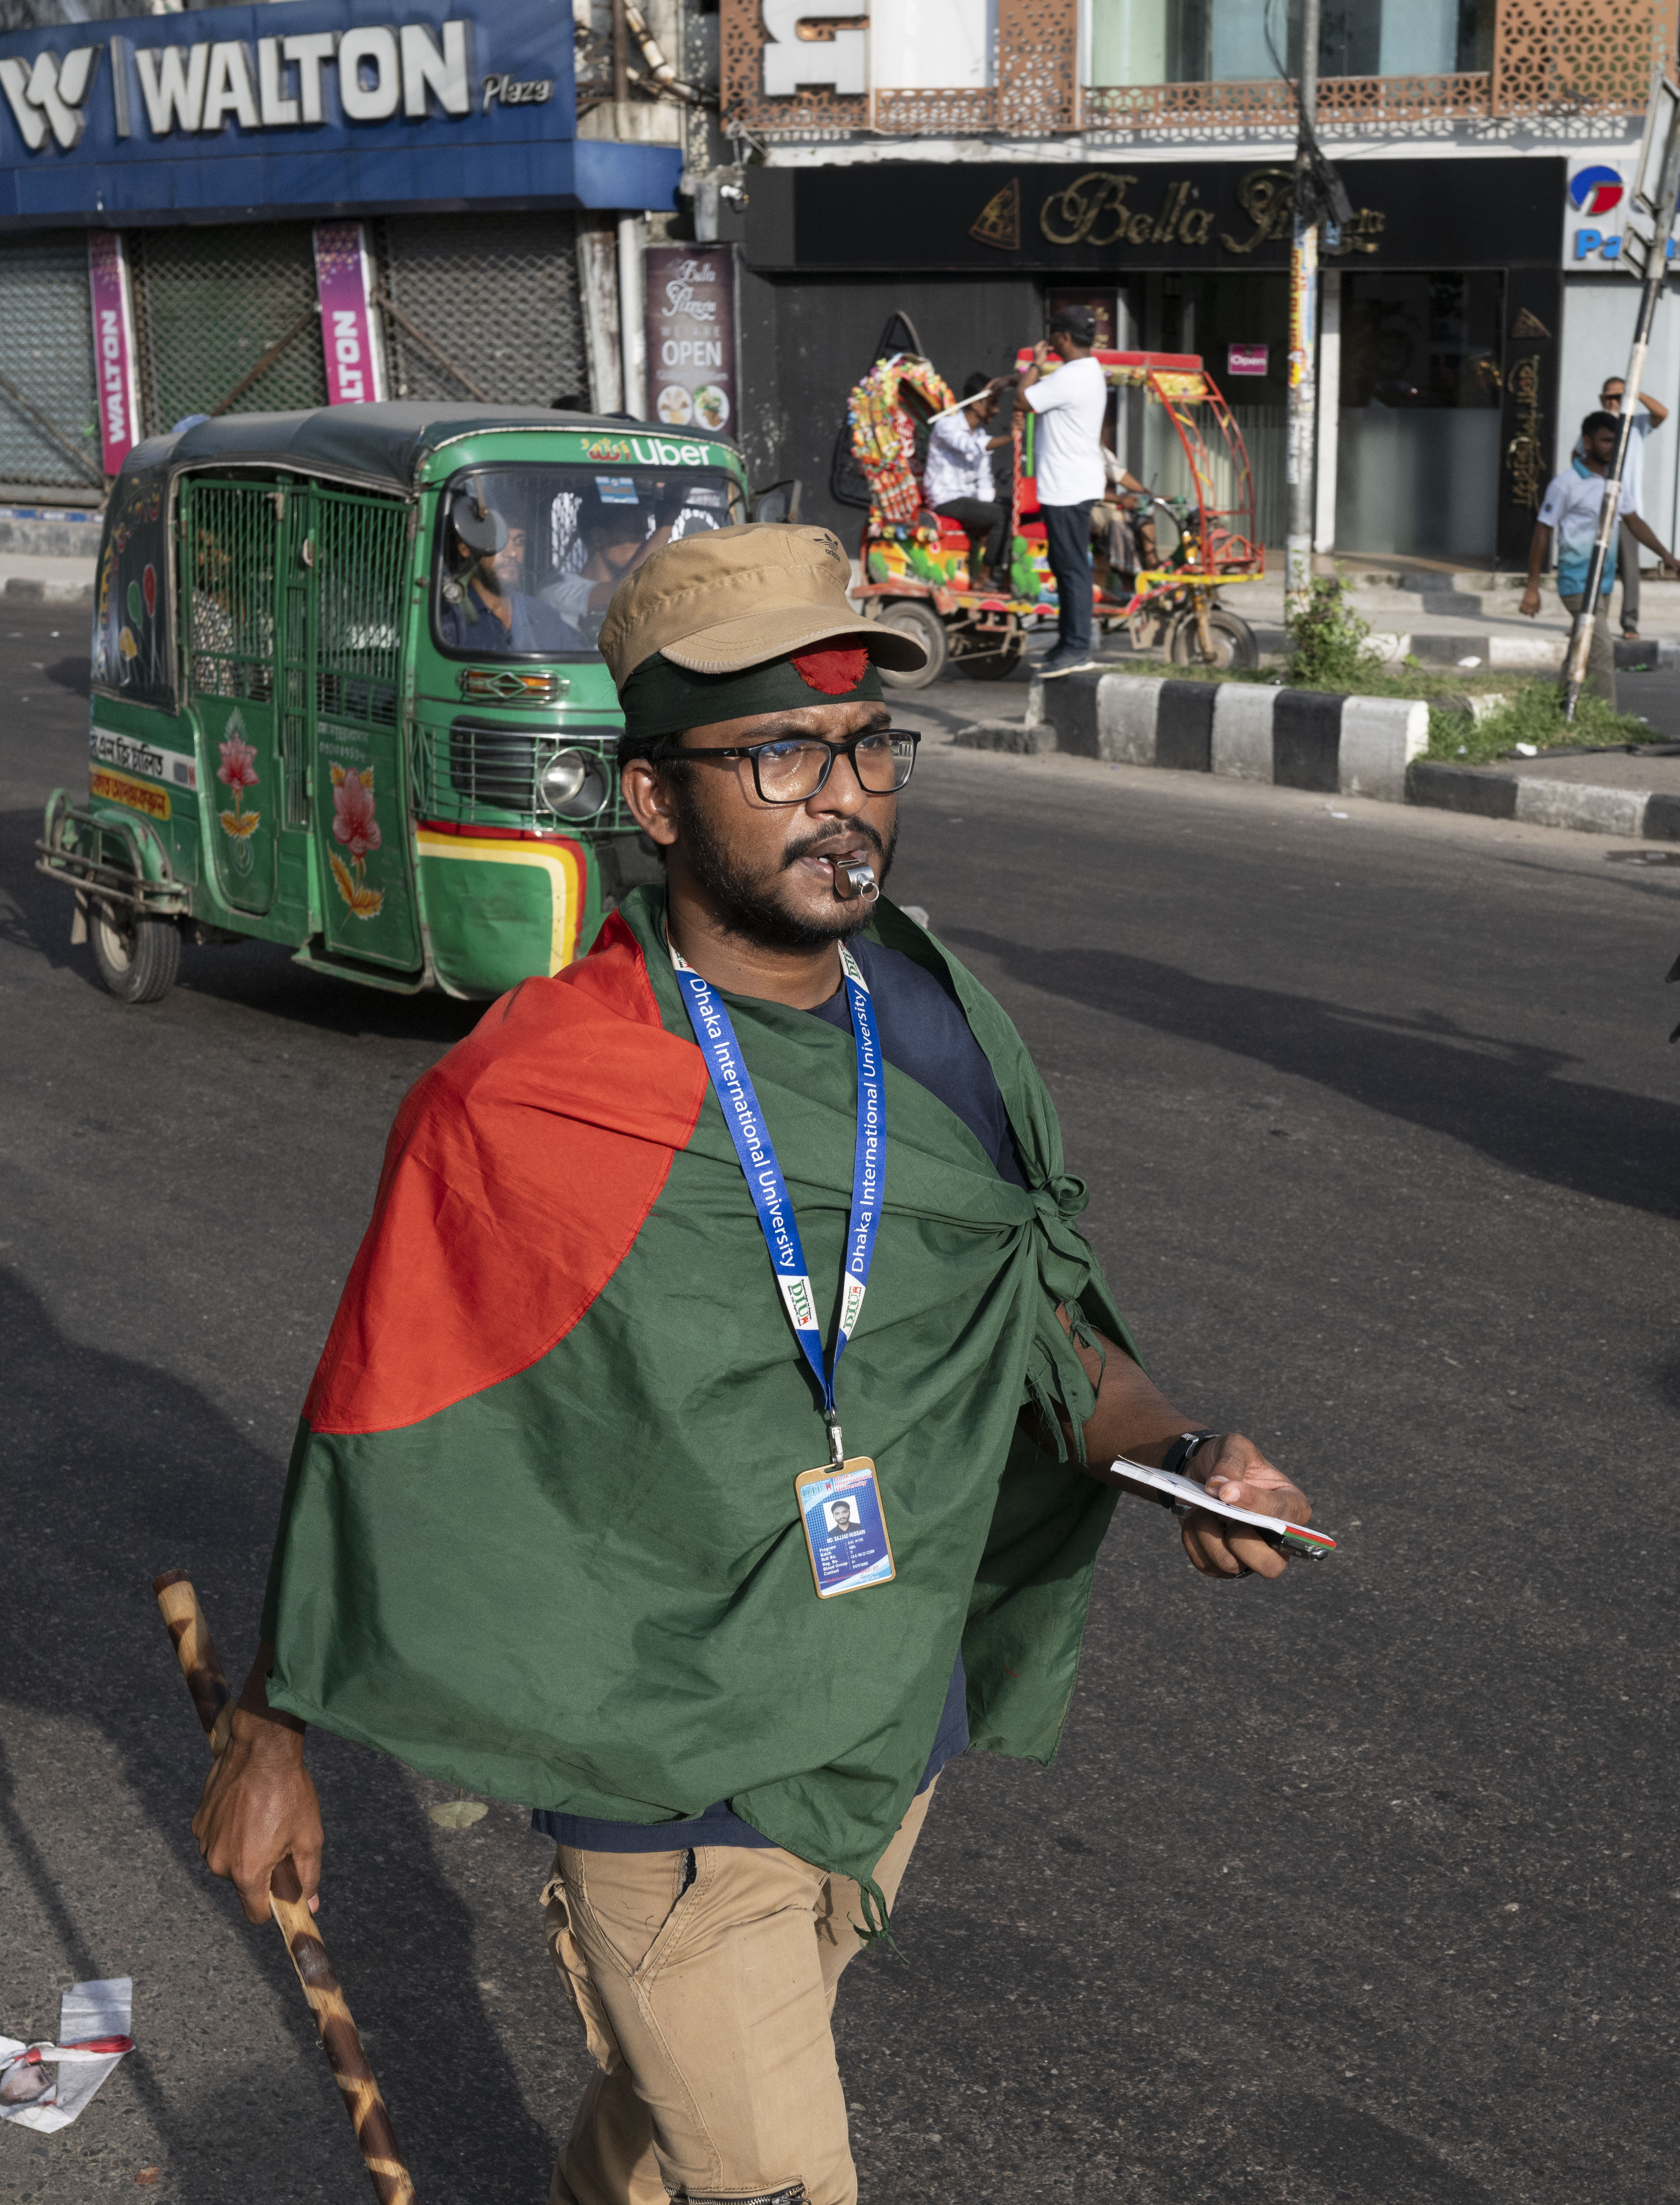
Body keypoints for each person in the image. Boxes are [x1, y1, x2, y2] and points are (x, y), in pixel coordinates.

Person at [191, 521, 1321, 2205]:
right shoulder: (537, 1090)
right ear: (656, 800)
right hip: (666, 1770)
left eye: (870, 744)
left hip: (879, 1731)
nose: (844, 794)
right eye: (782, 750)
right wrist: (274, 1728)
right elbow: (384, 1423)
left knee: (675, 2133)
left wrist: (1188, 1448)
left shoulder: (937, 1019)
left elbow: (1042, 1321)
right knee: (779, 2174)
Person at [1517, 410, 1680, 645]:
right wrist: (1532, 589)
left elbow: (1634, 522)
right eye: (1606, 440)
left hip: (1603, 584)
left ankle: (1569, 683)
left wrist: (1666, 556)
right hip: (1576, 583)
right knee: (1602, 648)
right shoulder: (1566, 484)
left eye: (1617, 442)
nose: (1613, 447)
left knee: (1582, 649)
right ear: (1587, 442)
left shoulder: (1615, 483)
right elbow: (1542, 533)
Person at [1015, 305, 1110, 671]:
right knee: (1065, 563)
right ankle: (1068, 642)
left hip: (1068, 489)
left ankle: (1076, 646)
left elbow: (1024, 401)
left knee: (1072, 569)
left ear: (1065, 338)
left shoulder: (1071, 376)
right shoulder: (1085, 373)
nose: (1049, 340)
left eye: (1053, 334)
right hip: (1070, 486)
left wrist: (1034, 366)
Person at [437, 488, 574, 653]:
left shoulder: (546, 617)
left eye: (520, 542)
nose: (513, 554)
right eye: (500, 541)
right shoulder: (448, 623)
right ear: (465, 548)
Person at [917, 380, 1013, 590]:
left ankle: (1005, 572)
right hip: (945, 499)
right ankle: (986, 576)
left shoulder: (979, 434)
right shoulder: (946, 426)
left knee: (1011, 510)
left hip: (967, 499)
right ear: (977, 405)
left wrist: (990, 505)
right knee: (1000, 517)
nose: (997, 410)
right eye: (993, 404)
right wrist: (1011, 437)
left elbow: (984, 478)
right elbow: (970, 447)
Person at [1597, 375, 1671, 637]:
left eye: (1619, 397)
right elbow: (1577, 456)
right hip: (1599, 511)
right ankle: (1593, 623)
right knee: (1596, 569)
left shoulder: (1637, 425)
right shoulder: (1595, 428)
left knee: (1630, 571)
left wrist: (1635, 392)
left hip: (1629, 514)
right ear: (1602, 400)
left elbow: (1662, 413)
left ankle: (1630, 623)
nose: (1614, 402)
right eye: (1610, 397)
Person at [542, 499, 657, 645]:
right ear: (599, 539)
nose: (646, 546)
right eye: (635, 535)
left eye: (646, 537)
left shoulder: (644, 595)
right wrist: (668, 524)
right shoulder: (556, 589)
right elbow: (624, 591)